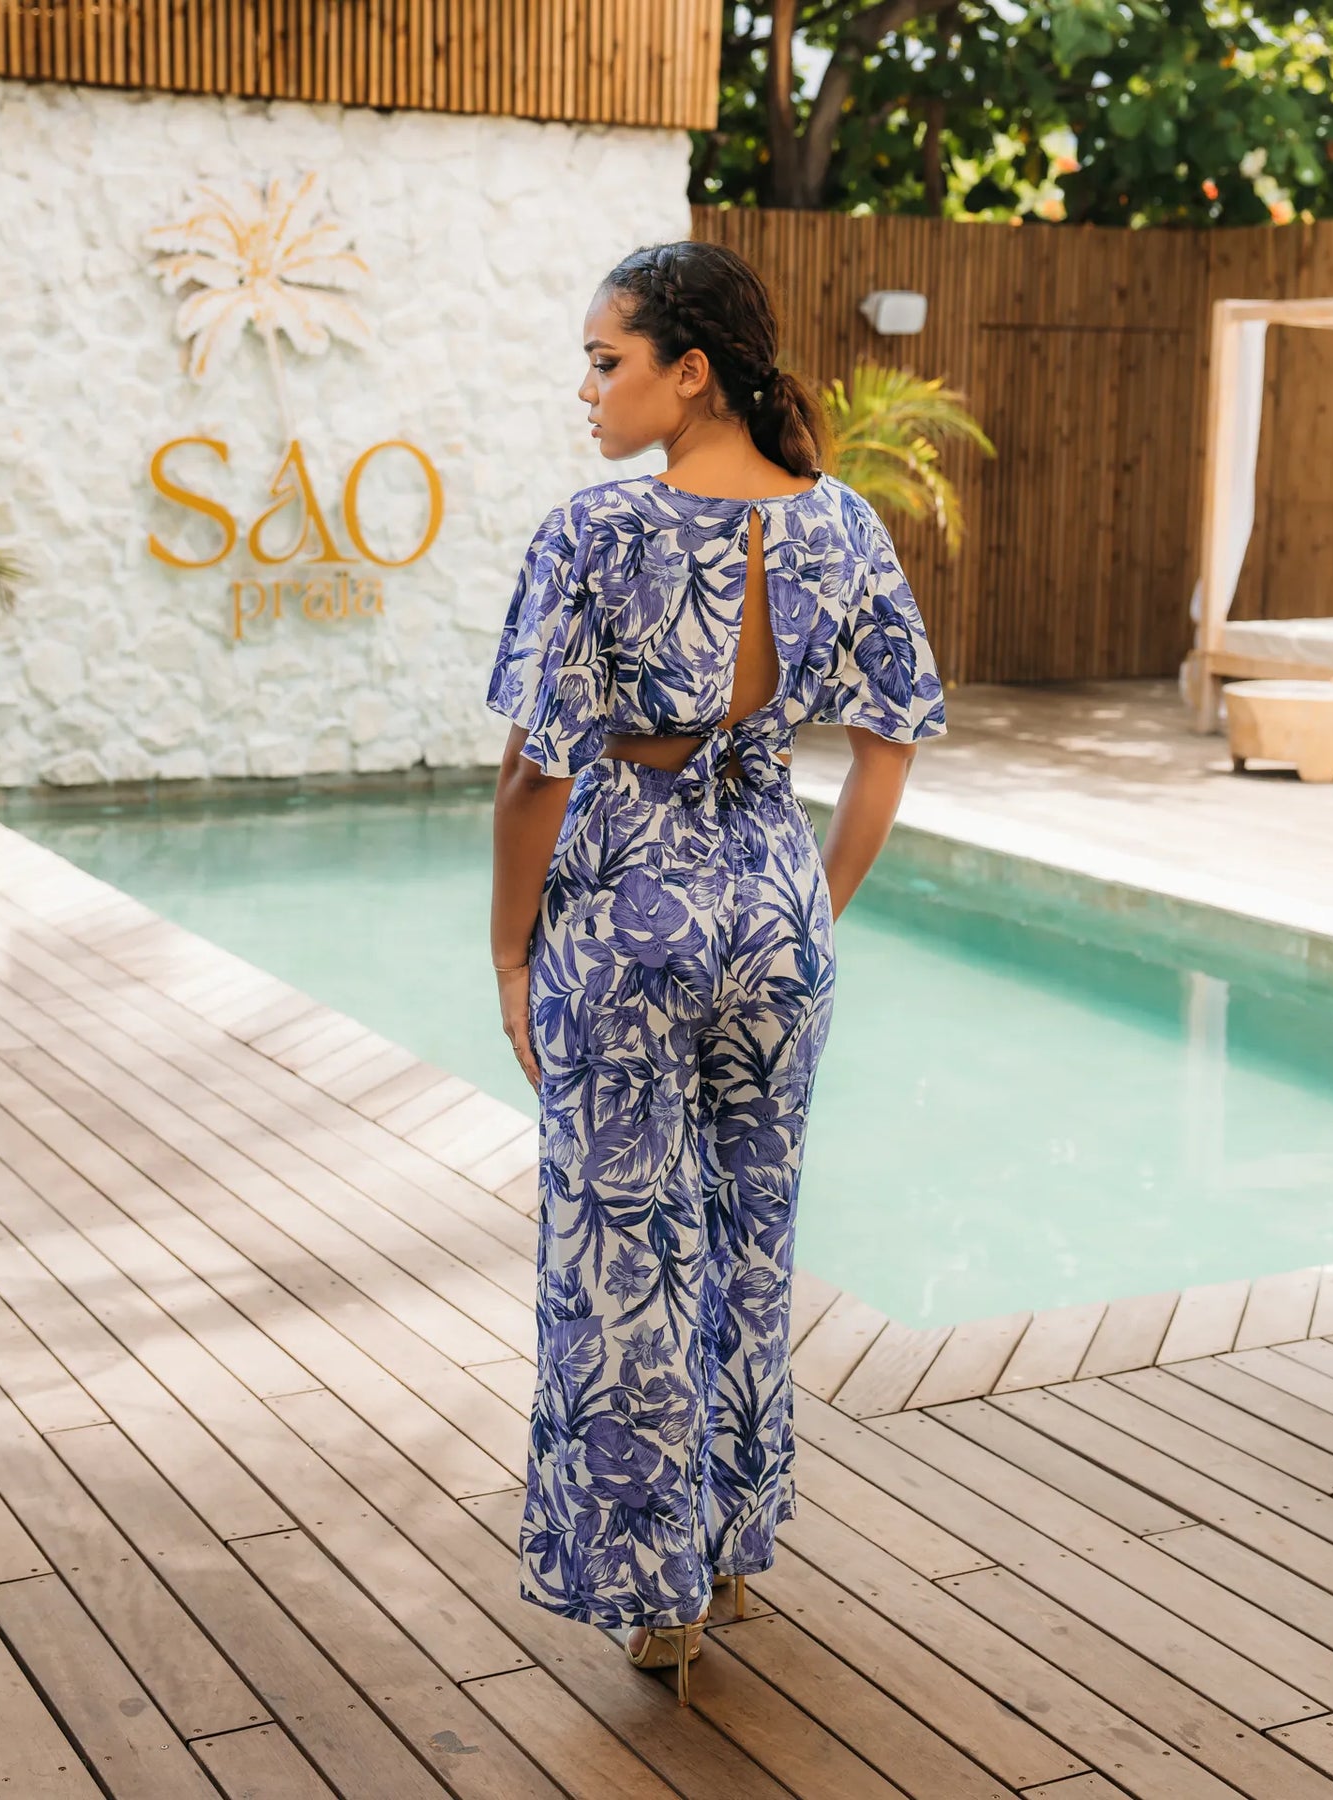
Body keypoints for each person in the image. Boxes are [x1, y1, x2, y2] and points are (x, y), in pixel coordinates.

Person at [484, 239, 945, 1705]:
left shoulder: (595, 532)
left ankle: (654, 1593)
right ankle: (732, 1547)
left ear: (690, 372)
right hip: (773, 910)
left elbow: (535, 774)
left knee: (624, 1253)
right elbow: (890, 743)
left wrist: (510, 948)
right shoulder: (842, 521)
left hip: (628, 919)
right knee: (752, 1229)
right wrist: (814, 908)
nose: (587, 389)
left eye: (605, 361)